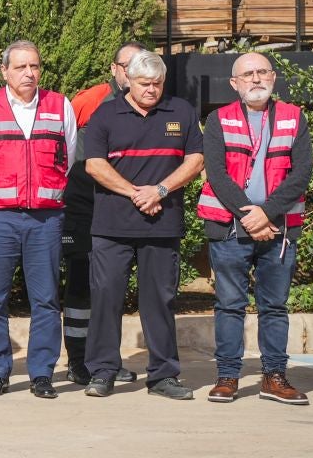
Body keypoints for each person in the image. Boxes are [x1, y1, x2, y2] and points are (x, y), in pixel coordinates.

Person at [0, 38, 77, 399]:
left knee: (47, 299)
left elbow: (69, 157)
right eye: (20, 66)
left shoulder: (60, 105)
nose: (29, 73)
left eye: (34, 66)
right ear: (4, 71)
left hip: (45, 220)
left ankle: (41, 373)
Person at [81, 48, 204, 400]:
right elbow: (94, 165)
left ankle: (163, 376)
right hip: (111, 227)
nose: (151, 89)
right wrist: (137, 193)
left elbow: (195, 160)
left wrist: (160, 190)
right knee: (106, 299)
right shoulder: (105, 113)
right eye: (144, 83)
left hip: (162, 225)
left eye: (157, 83)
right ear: (127, 81)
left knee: (160, 301)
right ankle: (103, 371)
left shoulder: (180, 110)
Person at [197, 52, 313, 405]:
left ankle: (274, 376)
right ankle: (228, 377)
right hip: (230, 230)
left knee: (274, 306)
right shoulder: (218, 119)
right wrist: (251, 217)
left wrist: (267, 215)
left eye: (263, 71)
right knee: (229, 305)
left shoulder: (295, 118)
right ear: (235, 83)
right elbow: (216, 173)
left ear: (274, 77)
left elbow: (301, 172)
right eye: (248, 74)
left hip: (278, 230)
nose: (256, 78)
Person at [62, 42, 141, 385]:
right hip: (82, 205)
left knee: (110, 289)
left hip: (121, 207)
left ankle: (105, 360)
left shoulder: (149, 105)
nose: (132, 72)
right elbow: (64, 150)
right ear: (114, 69)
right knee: (80, 286)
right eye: (127, 66)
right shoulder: (88, 100)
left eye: (140, 65)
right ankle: (78, 362)